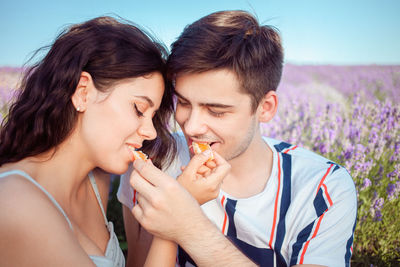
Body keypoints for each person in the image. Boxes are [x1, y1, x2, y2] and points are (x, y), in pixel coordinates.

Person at [118, 10, 357, 267]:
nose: (191, 126)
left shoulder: (322, 189)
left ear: (265, 107)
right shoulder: (154, 161)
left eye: (216, 111)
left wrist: (188, 225)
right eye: (184, 102)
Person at [0, 16, 229, 267]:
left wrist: (177, 208)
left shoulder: (96, 181)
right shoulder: (17, 204)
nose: (151, 132)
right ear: (83, 92)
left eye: (153, 117)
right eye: (139, 109)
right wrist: (177, 219)